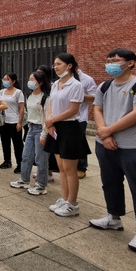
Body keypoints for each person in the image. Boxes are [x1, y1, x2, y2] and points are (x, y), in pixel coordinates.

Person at [90, 48, 136, 253]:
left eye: (116, 60)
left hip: (134, 146)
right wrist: (105, 135)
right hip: (105, 144)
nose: (111, 64)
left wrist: (108, 130)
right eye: (109, 60)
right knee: (110, 182)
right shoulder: (105, 86)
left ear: (130, 63)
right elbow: (97, 109)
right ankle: (113, 217)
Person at [44, 53, 91, 217]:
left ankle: (72, 203)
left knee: (70, 169)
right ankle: (64, 199)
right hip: (55, 127)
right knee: (61, 168)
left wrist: (52, 120)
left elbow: (73, 110)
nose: (55, 67)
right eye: (54, 64)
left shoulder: (76, 85)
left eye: (59, 64)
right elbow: (50, 104)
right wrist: (50, 122)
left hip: (70, 128)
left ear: (69, 66)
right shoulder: (55, 84)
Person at [10, 70, 51, 195]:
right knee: (26, 156)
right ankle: (24, 179)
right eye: (29, 79)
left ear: (40, 82)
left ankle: (41, 185)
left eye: (33, 79)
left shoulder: (46, 97)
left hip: (41, 129)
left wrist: (44, 134)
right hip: (31, 128)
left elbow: (48, 117)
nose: (30, 82)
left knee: (41, 158)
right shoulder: (30, 95)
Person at [0, 72, 25, 173]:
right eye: (4, 79)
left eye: (7, 79)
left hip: (14, 120)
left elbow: (21, 108)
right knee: (5, 142)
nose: (5, 81)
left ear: (13, 81)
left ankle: (20, 164)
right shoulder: (2, 92)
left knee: (17, 144)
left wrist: (20, 122)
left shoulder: (18, 93)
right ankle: (7, 161)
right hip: (4, 121)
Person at [76, 68, 96, 179]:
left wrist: (80, 95)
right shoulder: (62, 79)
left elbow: (94, 97)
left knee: (80, 142)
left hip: (80, 118)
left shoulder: (87, 80)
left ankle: (81, 167)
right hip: (65, 117)